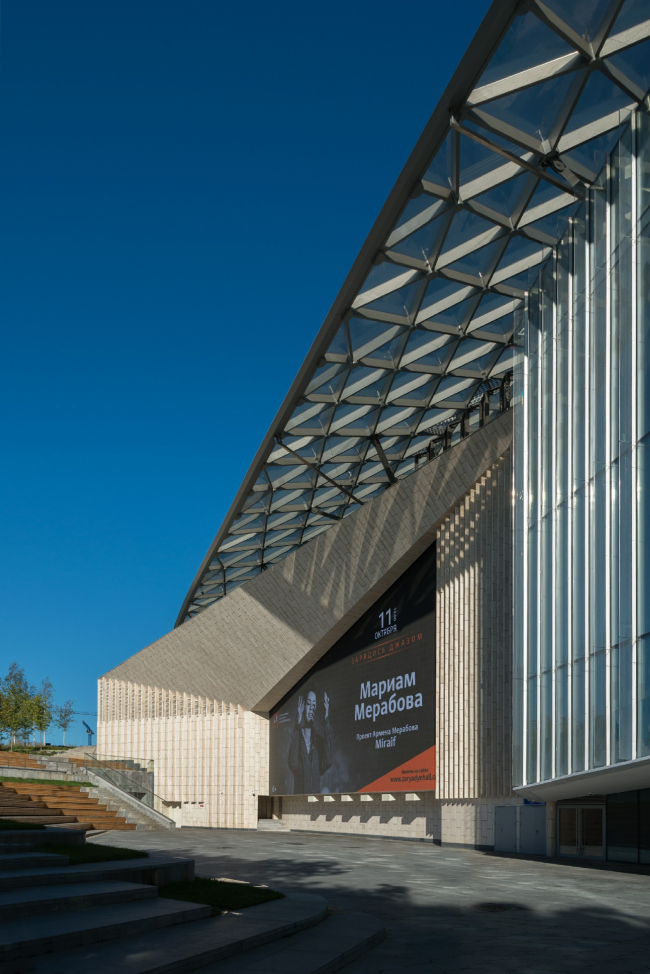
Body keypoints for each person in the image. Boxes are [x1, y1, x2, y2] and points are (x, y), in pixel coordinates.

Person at [288, 689, 333, 794]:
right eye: (309, 704)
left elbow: (328, 761)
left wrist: (326, 718)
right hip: (299, 802)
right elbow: (293, 764)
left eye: (314, 705)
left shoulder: (318, 741)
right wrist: (297, 725)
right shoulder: (297, 738)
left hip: (315, 803)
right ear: (303, 707)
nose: (311, 708)